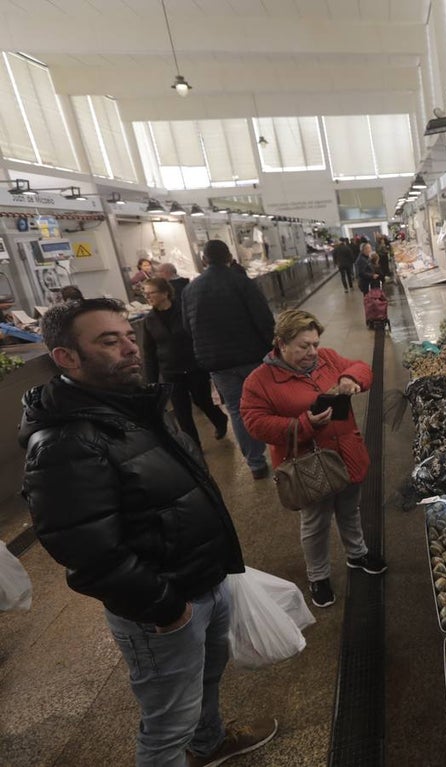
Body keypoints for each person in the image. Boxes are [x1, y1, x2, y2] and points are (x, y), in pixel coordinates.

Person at [18, 297, 277, 766]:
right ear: (66, 358)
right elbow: (85, 550)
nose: (130, 348)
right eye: (108, 341)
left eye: (129, 337)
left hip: (202, 580)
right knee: (166, 726)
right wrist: (164, 605)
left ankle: (210, 743)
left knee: (203, 682)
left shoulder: (136, 407)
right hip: (162, 610)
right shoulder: (65, 442)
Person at [240, 309, 386, 608]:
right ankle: (318, 575)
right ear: (281, 344)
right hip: (308, 466)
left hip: (346, 453)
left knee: (349, 508)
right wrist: (305, 424)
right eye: (303, 346)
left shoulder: (328, 359)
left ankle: (357, 553)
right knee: (315, 522)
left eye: (315, 344)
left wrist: (349, 378)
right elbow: (254, 422)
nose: (312, 352)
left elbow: (362, 368)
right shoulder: (260, 381)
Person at [182, 239, 274, 479]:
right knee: (263, 403)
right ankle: (278, 450)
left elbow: (187, 328)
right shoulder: (241, 282)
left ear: (203, 260)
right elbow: (263, 318)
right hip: (251, 356)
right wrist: (272, 346)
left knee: (236, 410)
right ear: (230, 257)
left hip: (217, 362)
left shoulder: (190, 290)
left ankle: (255, 463)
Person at [141, 277, 229, 449]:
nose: (148, 297)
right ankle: (194, 448)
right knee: (182, 413)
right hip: (171, 373)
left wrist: (207, 359)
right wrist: (151, 381)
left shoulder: (183, 312)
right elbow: (149, 352)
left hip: (194, 367)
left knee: (203, 402)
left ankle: (220, 419)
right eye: (145, 294)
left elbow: (199, 337)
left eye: (151, 293)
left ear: (165, 293)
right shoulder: (149, 321)